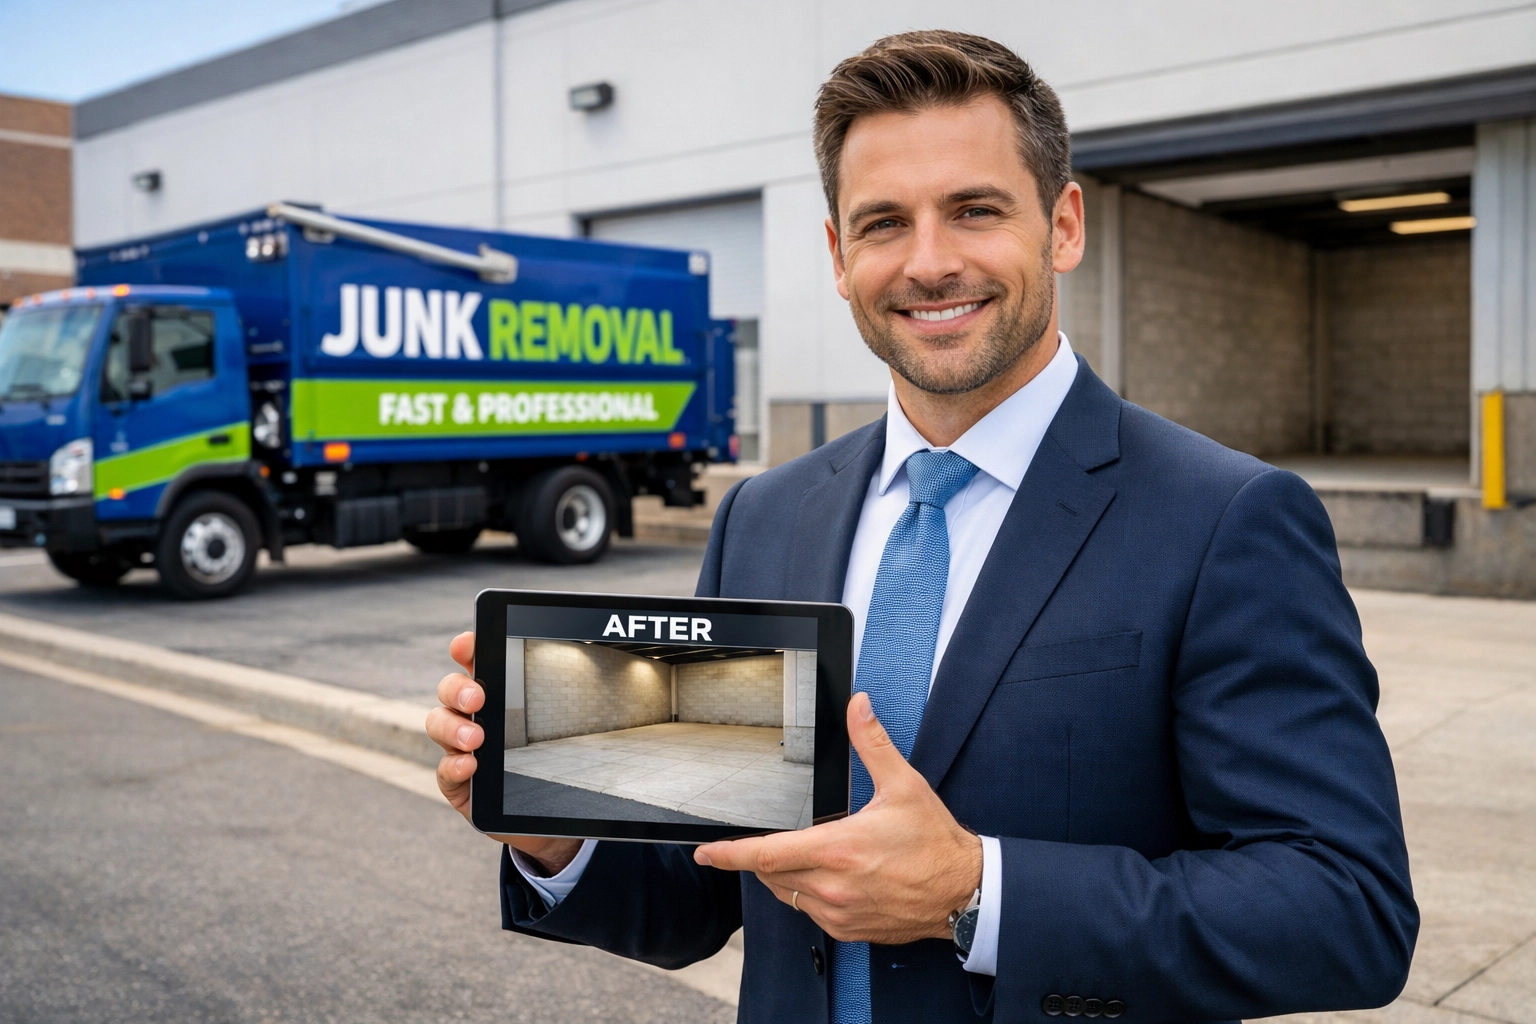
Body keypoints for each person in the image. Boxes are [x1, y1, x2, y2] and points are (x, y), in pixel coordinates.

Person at [426, 30, 1417, 1024]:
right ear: (838, 255)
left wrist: (975, 892)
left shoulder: (1225, 518)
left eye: (975, 211)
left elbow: (1346, 909)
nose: (930, 263)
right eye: (885, 223)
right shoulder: (766, 518)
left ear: (1062, 225)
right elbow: (706, 889)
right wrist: (556, 838)